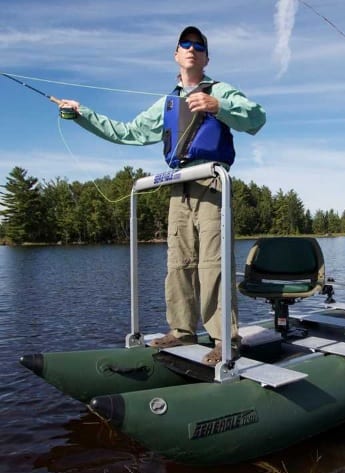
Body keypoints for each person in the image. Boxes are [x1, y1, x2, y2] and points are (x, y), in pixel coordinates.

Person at [58, 26, 266, 364]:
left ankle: (224, 340)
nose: (192, 48)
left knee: (213, 264)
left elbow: (257, 118)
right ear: (176, 54)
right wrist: (83, 114)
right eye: (185, 44)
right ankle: (182, 332)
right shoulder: (166, 103)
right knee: (178, 263)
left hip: (212, 182)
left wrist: (218, 106)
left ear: (207, 58)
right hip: (177, 186)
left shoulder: (221, 90)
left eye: (199, 45)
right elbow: (127, 132)